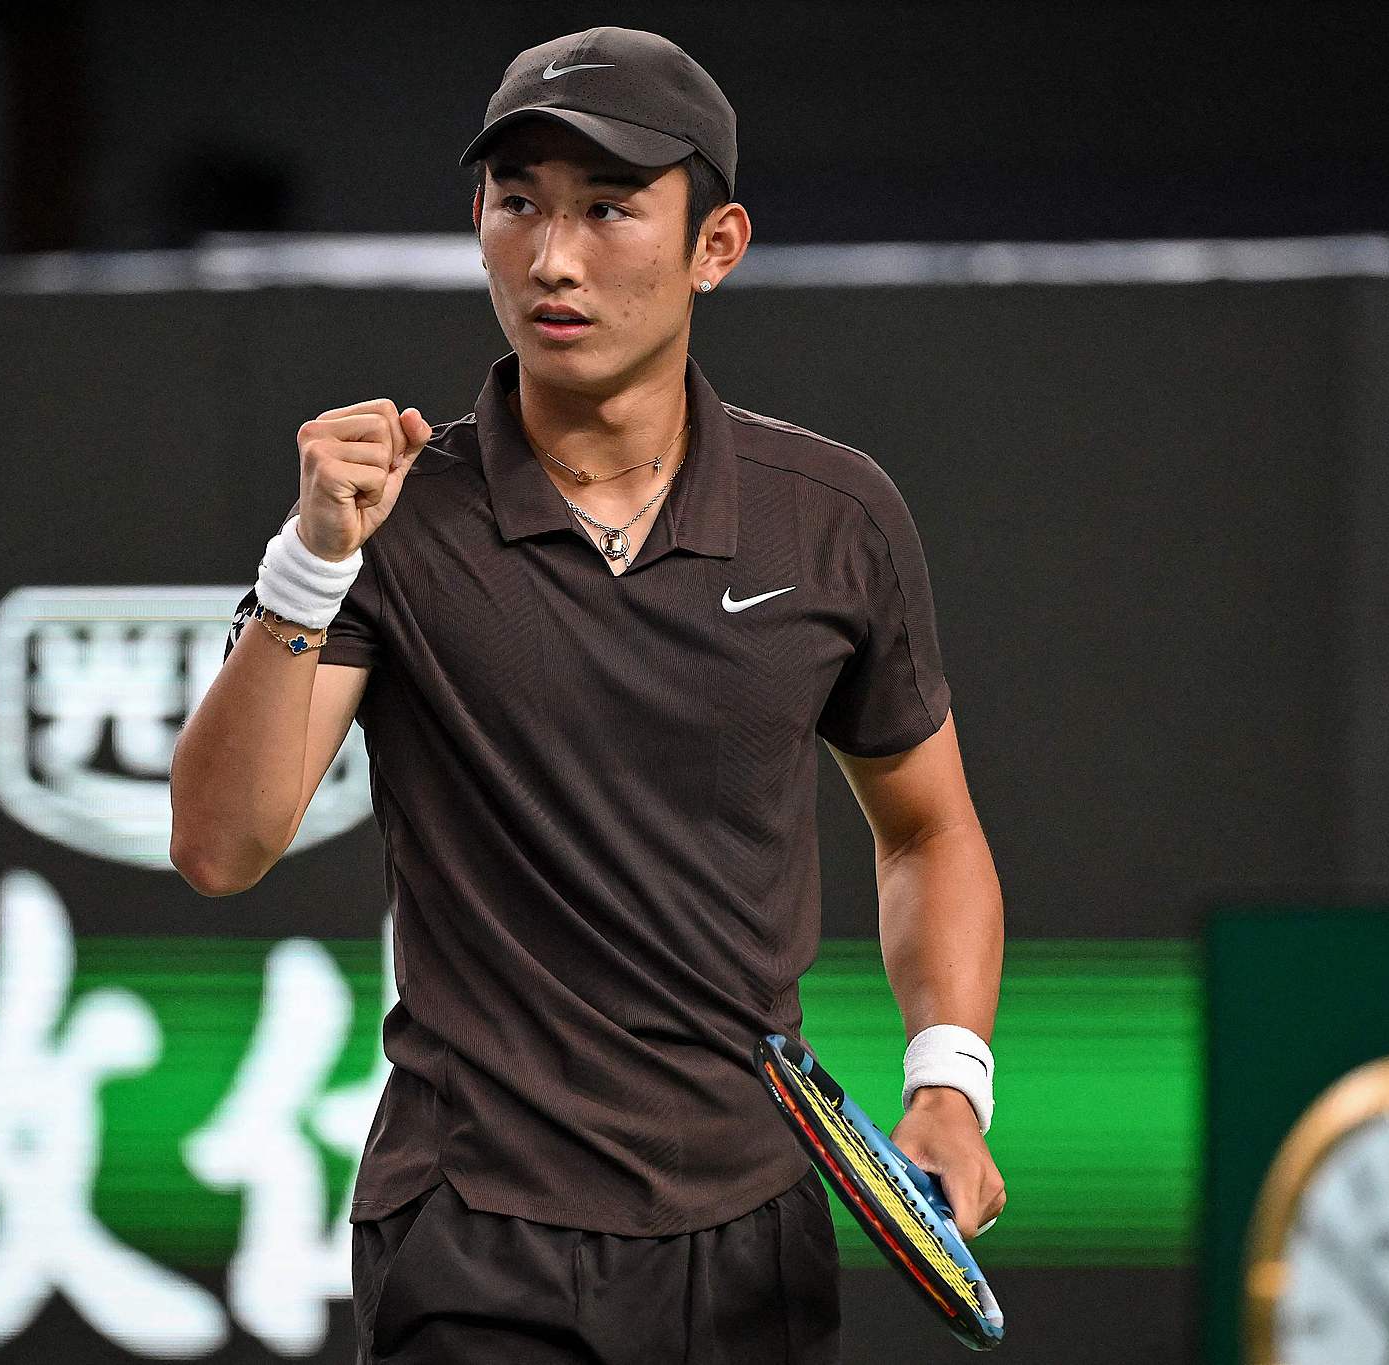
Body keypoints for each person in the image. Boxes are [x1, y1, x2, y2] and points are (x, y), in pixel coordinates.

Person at [169, 26, 1006, 1364]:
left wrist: (949, 1081)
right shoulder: (389, 522)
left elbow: (930, 831)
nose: (551, 258)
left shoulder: (837, 519)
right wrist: (310, 560)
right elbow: (221, 844)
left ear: (715, 244)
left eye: (609, 208)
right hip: (473, 1233)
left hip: (753, 1232)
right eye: (518, 206)